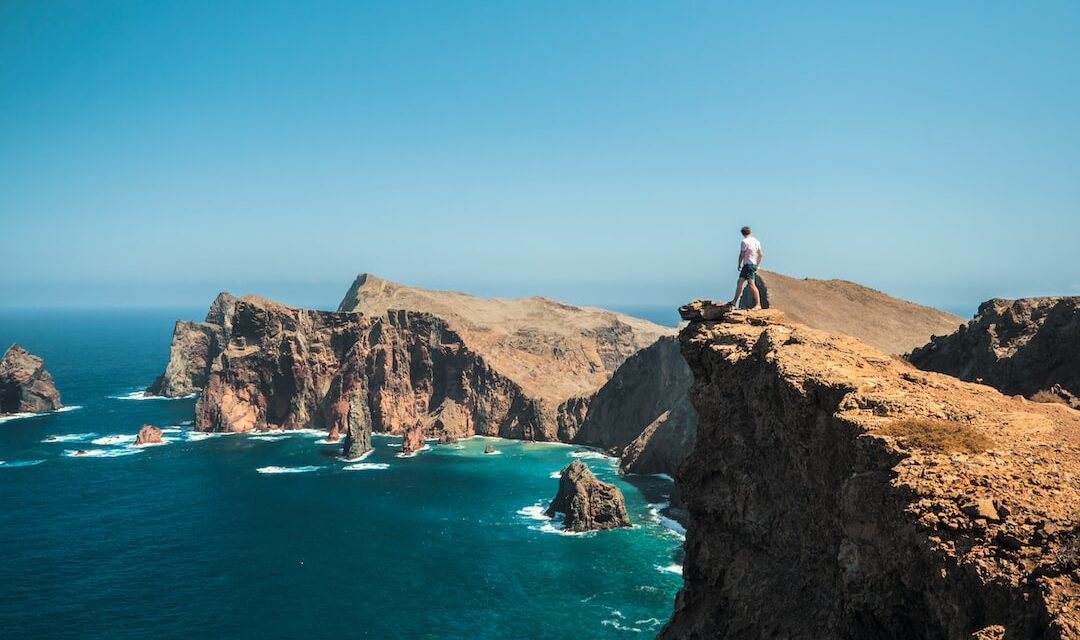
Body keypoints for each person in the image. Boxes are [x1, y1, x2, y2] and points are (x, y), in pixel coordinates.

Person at [728, 226, 763, 310]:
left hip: (748, 265)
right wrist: (757, 265)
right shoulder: (756, 241)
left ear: (742, 233)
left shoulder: (744, 241)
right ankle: (734, 301)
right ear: (750, 232)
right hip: (751, 264)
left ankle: (758, 304)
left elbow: (742, 254)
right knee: (740, 282)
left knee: (751, 284)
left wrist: (739, 264)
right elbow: (761, 254)